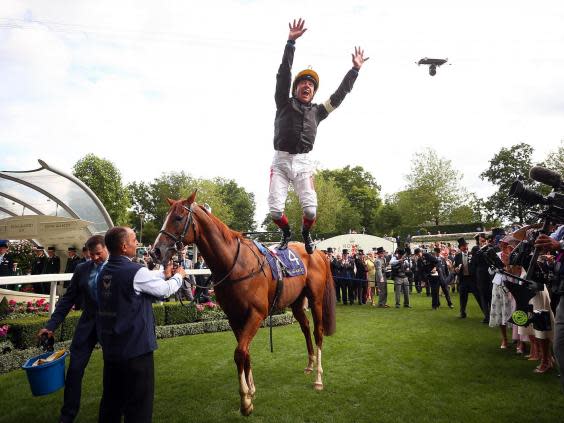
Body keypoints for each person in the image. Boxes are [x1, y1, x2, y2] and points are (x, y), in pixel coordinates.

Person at [268, 18, 368, 253]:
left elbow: (340, 94)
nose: (307, 87)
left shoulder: (318, 111)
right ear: (296, 89)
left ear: (314, 92)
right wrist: (290, 43)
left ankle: (306, 233)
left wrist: (354, 70)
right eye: (303, 83)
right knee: (274, 211)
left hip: (303, 162)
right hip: (281, 161)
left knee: (311, 210)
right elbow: (283, 75)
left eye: (311, 86)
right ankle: (285, 233)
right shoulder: (283, 102)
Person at [96, 227, 185, 423]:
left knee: (111, 403)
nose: (137, 243)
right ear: (124, 246)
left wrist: (162, 273)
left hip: (112, 350)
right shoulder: (135, 271)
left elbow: (138, 281)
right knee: (139, 407)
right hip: (136, 352)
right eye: (134, 240)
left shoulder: (103, 272)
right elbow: (163, 291)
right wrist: (179, 276)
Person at [37, 235, 108, 423]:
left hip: (111, 327)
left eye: (98, 254)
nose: (94, 258)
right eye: (91, 255)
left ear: (107, 249)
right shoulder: (81, 269)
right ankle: (67, 416)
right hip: (87, 325)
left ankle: (114, 412)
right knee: (75, 370)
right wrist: (50, 326)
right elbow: (67, 299)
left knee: (115, 371)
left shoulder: (119, 268)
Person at [535, 225, 563, 384]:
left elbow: (557, 242)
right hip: (560, 290)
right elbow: (552, 238)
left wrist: (559, 245)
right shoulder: (562, 229)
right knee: (559, 346)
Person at [454, 237, 482, 318]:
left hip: (472, 279)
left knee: (478, 296)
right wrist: (456, 269)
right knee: (462, 297)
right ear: (460, 248)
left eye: (466, 245)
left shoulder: (472, 254)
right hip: (463, 280)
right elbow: (455, 268)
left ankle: (486, 314)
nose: (465, 247)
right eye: (463, 246)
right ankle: (462, 313)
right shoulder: (457, 256)